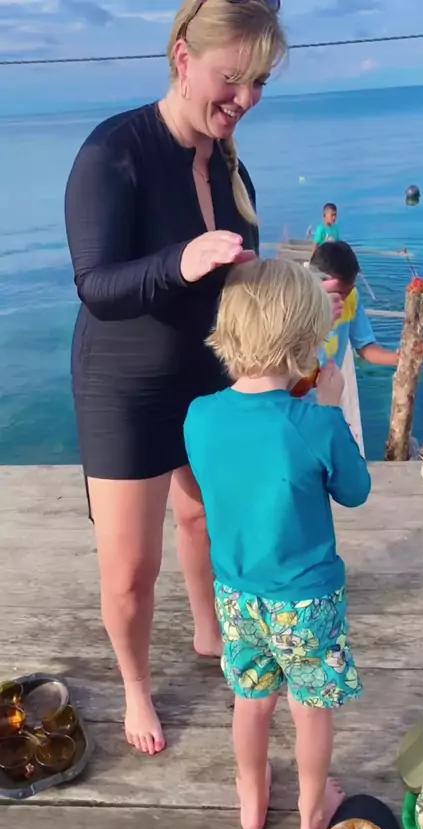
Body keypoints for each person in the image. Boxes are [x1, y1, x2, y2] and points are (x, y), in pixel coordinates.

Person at [64, 0, 287, 756]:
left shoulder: (229, 164)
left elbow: (237, 275)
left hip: (208, 371)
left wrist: (294, 298)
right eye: (233, 78)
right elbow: (96, 285)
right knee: (132, 570)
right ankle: (135, 684)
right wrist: (178, 261)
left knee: (203, 521)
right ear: (184, 58)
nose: (245, 99)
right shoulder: (114, 152)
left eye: (259, 83)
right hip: (124, 384)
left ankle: (208, 630)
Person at [184, 258, 370, 829]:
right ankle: (313, 813)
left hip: (237, 596)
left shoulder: (199, 416)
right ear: (304, 342)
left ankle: (251, 798)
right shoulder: (314, 423)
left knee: (251, 700)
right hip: (307, 603)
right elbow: (355, 490)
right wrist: (330, 410)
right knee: (310, 708)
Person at [310, 241, 399, 370]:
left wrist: (400, 359)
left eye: (349, 291)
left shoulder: (351, 297)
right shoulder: (295, 301)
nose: (342, 300)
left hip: (330, 381)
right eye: (339, 292)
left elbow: (365, 346)